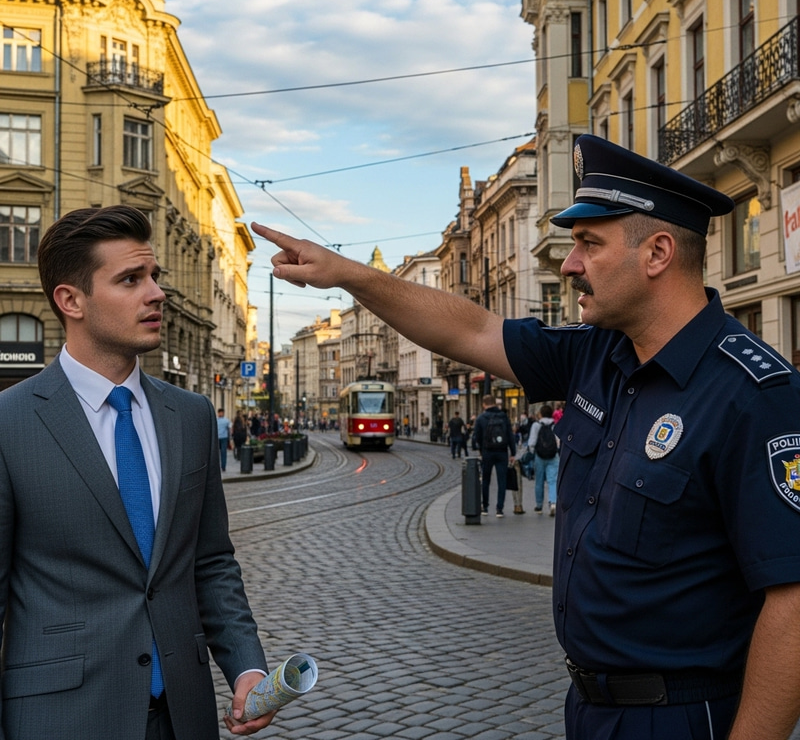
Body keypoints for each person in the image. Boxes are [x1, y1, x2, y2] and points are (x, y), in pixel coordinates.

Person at [252, 133, 800, 740]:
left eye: (589, 244)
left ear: (658, 253)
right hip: (590, 710)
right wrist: (348, 274)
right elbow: (472, 330)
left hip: (684, 717)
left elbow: (794, 603)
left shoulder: (755, 393)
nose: (569, 264)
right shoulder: (597, 354)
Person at [0, 205, 275, 740]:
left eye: (154, 276)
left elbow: (212, 560)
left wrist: (248, 668)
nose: (156, 294)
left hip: (184, 714)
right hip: (61, 719)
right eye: (130, 279)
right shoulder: (9, 422)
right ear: (71, 300)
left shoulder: (191, 414)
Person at [471, 394, 516, 517]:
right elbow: (510, 436)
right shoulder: (503, 416)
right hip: (502, 451)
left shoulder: (481, 418)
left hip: (487, 452)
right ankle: (499, 509)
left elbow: (477, 437)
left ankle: (485, 507)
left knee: (486, 480)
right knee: (502, 481)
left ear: (484, 404)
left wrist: (480, 449)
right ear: (495, 403)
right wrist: (513, 453)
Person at [527, 404, 559, 516]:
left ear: (541, 413)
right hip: (553, 455)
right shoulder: (555, 425)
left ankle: (539, 505)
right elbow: (559, 442)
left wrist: (532, 452)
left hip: (539, 456)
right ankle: (553, 502)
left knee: (539, 481)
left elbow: (532, 442)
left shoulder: (536, 425)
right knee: (552, 480)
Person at [217, 407, 232, 472]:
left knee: (222, 453)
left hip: (222, 438)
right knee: (220, 453)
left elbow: (230, 429)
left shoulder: (226, 420)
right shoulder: (217, 420)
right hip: (220, 438)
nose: (220, 414)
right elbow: (230, 429)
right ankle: (220, 466)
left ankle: (223, 466)